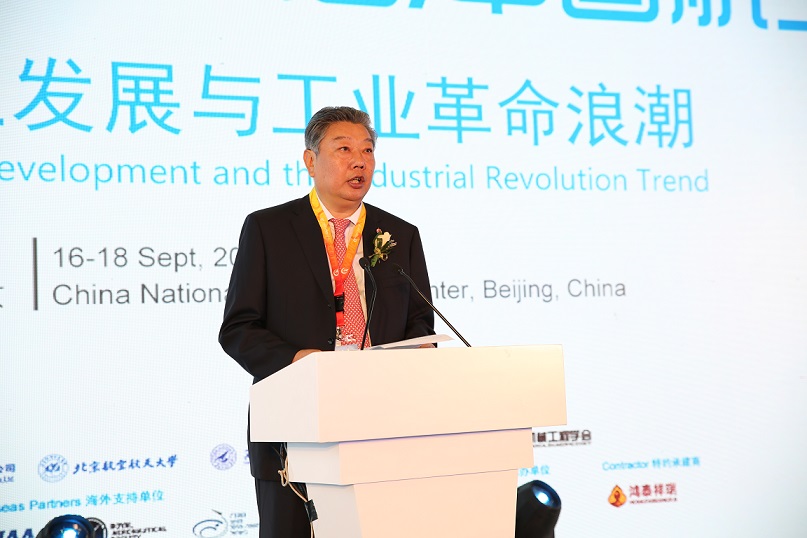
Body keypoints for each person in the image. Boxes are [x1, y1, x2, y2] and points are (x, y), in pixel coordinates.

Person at [219, 106, 435, 537]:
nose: (360, 162)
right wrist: (297, 359)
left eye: (367, 151)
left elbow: (419, 322)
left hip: (382, 423)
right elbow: (239, 328)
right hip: (294, 428)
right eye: (344, 149)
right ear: (310, 160)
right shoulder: (268, 228)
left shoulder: (399, 234)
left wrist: (417, 353)